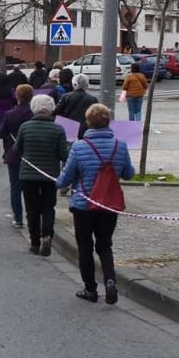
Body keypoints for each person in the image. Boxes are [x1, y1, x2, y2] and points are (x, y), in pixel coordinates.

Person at [56, 104, 135, 304]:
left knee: (85, 247)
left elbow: (65, 178)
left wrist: (56, 182)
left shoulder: (79, 146)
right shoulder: (120, 145)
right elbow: (129, 173)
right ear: (108, 121)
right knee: (105, 245)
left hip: (84, 205)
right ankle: (110, 281)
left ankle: (90, 289)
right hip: (109, 205)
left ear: (88, 122)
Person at [14, 94, 69, 256]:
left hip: (28, 175)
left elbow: (17, 150)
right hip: (49, 175)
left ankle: (34, 242)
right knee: (48, 207)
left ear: (34, 108)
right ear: (51, 109)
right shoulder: (59, 129)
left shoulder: (25, 127)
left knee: (31, 209)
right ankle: (47, 235)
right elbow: (64, 155)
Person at [0, 84, 35, 228]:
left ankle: (18, 218)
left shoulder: (10, 114)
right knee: (32, 188)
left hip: (14, 154)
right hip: (32, 155)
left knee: (15, 187)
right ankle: (32, 217)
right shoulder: (34, 114)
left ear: (17, 96)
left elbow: (1, 133)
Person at [55, 74, 98, 139]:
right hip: (86, 131)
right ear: (87, 85)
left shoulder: (66, 97)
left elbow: (57, 112)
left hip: (68, 130)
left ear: (74, 84)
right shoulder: (93, 99)